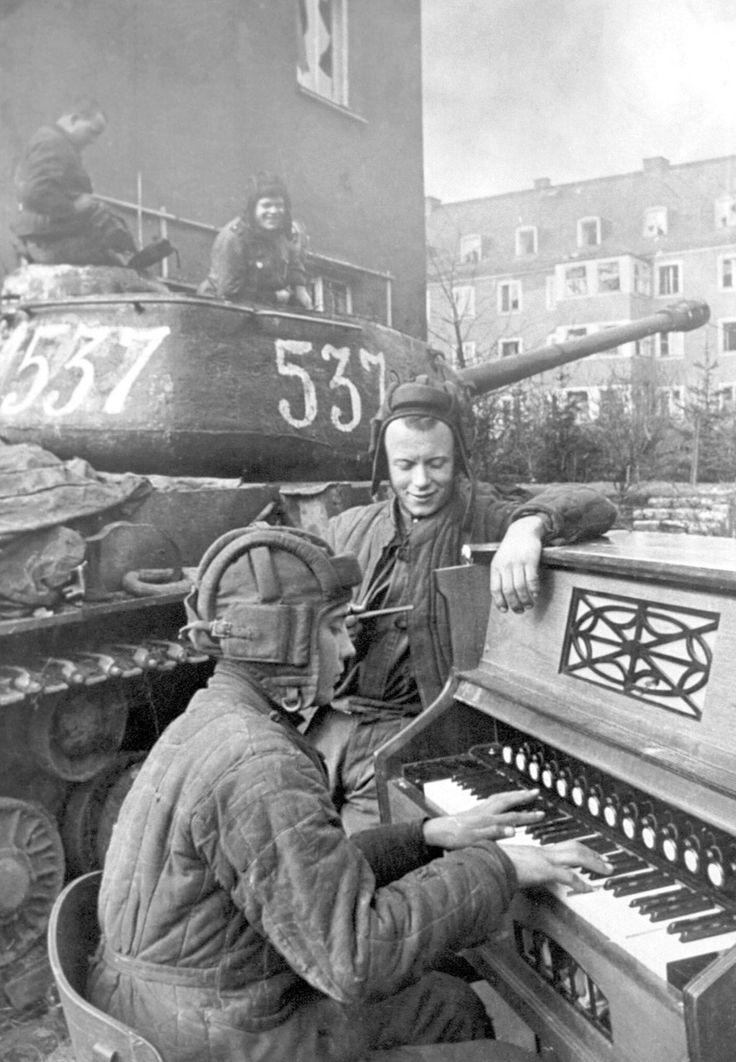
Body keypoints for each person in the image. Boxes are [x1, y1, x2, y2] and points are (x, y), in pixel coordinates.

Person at [88, 524, 612, 1062]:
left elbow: (295, 874)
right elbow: (357, 959)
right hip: (225, 1039)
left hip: (191, 1006)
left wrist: (428, 836)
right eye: (335, 629)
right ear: (283, 642)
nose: (347, 648)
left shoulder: (213, 717)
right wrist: (495, 867)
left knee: (449, 1006)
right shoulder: (259, 764)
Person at [307, 374, 618, 834]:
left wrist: (528, 526)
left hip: (411, 738)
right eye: (405, 465)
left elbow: (596, 504)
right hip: (325, 730)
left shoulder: (487, 516)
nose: (421, 481)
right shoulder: (346, 529)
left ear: (458, 460)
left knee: (362, 868)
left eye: (437, 463)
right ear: (383, 465)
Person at [12, 97, 137, 267]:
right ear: (73, 120)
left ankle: (129, 257)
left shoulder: (59, 142)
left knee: (112, 236)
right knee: (114, 263)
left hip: (47, 234)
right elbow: (36, 191)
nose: (94, 140)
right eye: (92, 132)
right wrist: (73, 207)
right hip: (46, 240)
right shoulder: (52, 141)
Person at [198, 171, 313, 308]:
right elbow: (228, 293)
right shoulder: (234, 239)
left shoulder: (283, 232)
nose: (274, 211)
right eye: (267, 205)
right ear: (253, 208)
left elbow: (294, 260)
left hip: (266, 308)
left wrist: (299, 287)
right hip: (223, 308)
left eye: (279, 205)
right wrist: (274, 297)